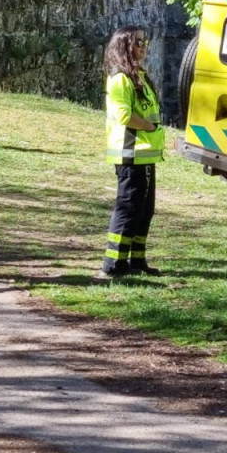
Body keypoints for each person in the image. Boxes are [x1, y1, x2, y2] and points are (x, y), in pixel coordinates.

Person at [99, 26, 164, 278]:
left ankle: (136, 261)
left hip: (145, 154)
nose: (143, 46)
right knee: (127, 209)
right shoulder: (119, 79)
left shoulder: (139, 76)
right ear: (124, 45)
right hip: (130, 154)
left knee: (144, 209)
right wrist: (150, 127)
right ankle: (113, 264)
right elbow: (124, 115)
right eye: (138, 42)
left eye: (145, 41)